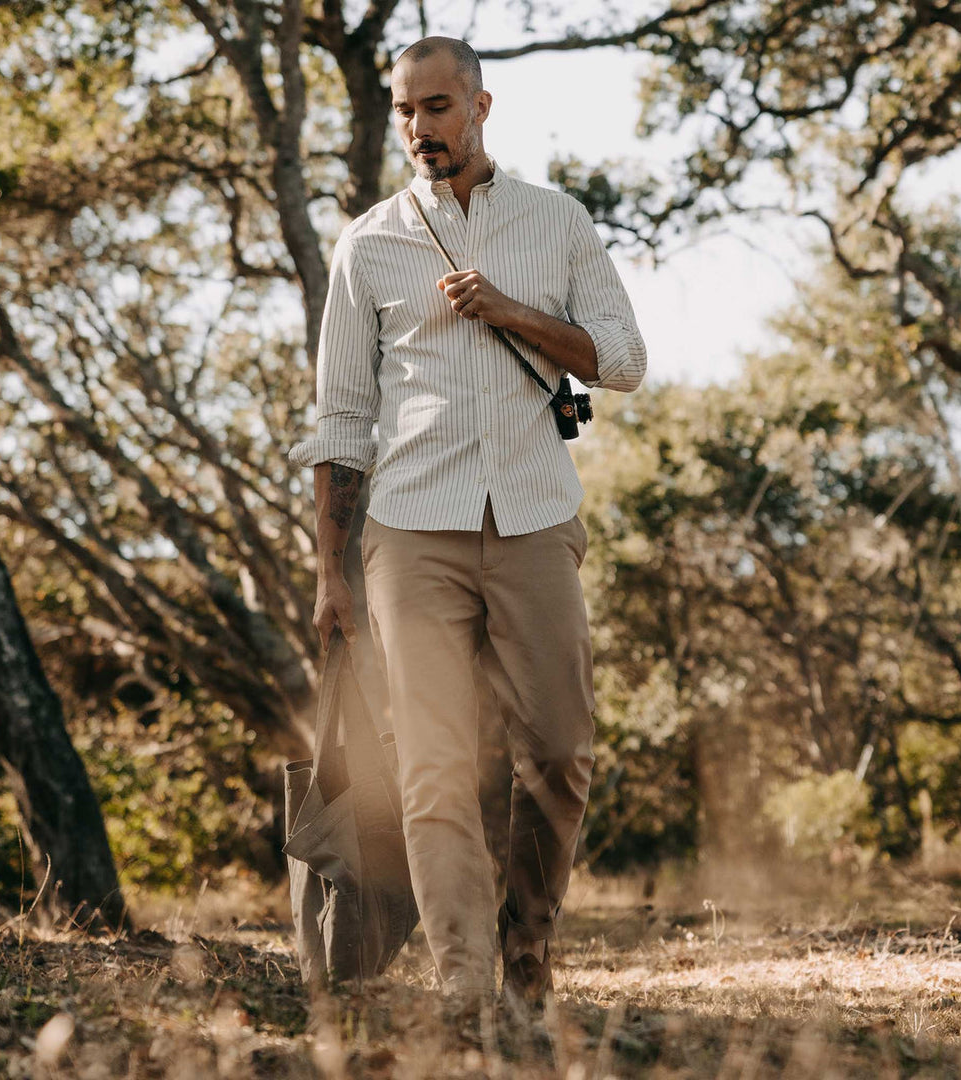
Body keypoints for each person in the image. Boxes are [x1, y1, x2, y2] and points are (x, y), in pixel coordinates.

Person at [288, 36, 646, 1011]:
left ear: (481, 106)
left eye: (437, 108)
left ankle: (525, 963)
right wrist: (331, 574)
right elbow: (340, 420)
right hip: (410, 530)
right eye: (406, 112)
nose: (418, 129)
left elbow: (622, 360)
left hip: (533, 518)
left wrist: (511, 311)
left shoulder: (554, 220)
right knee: (435, 763)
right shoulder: (369, 245)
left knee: (561, 749)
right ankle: (462, 991)